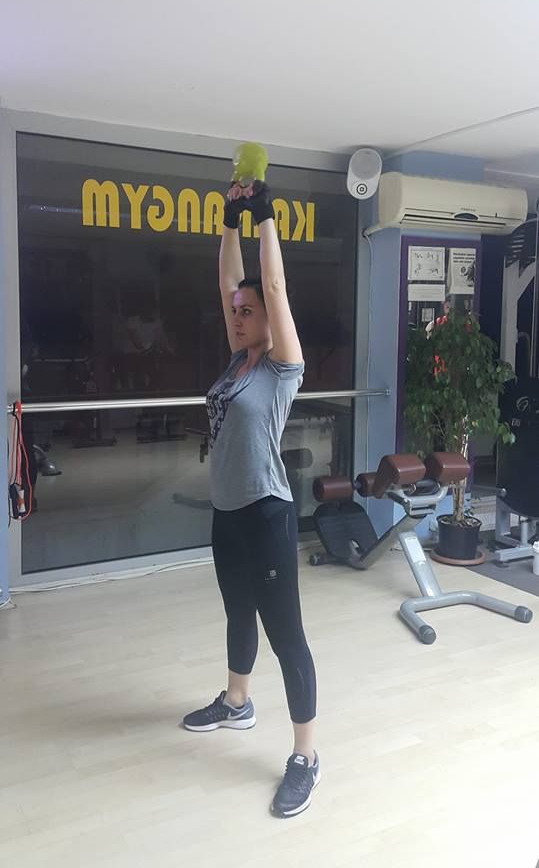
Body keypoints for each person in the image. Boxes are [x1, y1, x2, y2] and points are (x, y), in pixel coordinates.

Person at [182, 178, 319, 818]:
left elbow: (274, 287)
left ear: (269, 317)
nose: (237, 317)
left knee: (285, 634)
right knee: (238, 613)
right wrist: (228, 220)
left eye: (248, 310)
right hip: (228, 515)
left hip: (266, 513)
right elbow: (227, 282)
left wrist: (264, 217)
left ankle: (306, 757)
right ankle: (237, 703)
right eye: (234, 311)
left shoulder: (279, 367)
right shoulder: (237, 362)